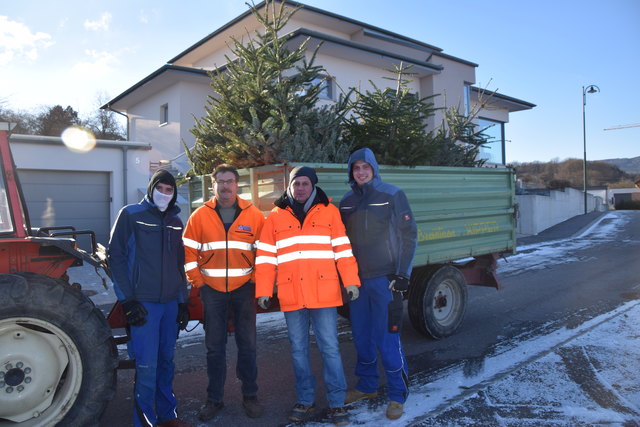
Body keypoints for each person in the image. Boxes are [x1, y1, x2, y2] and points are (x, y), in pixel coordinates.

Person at [255, 166, 360, 426]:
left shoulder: (330, 212)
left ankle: (336, 403)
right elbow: (266, 258)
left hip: (324, 294)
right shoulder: (276, 217)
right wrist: (264, 291)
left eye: (305, 183)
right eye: (296, 184)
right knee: (298, 351)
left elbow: (343, 252)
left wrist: (351, 282)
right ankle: (305, 399)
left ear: (313, 186)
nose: (300, 188)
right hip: (292, 295)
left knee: (330, 349)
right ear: (289, 187)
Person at [339, 147, 418, 420]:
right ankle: (367, 386)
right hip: (357, 284)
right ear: (351, 172)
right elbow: (341, 244)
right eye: (356, 168)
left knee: (387, 341)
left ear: (373, 168)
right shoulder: (347, 201)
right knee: (362, 338)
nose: (361, 172)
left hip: (385, 282)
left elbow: (410, 236)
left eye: (365, 167)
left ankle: (397, 396)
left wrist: (402, 274)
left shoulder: (392, 195)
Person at [108, 169, 191, 427]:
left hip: (168, 304)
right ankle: (145, 420)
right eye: (160, 188)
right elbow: (116, 258)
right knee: (147, 365)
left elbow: (179, 263)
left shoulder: (176, 221)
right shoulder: (131, 215)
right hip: (143, 303)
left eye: (169, 190)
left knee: (167, 361)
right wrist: (128, 301)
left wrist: (182, 301)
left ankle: (168, 415)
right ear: (151, 188)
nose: (164, 194)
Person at [182, 164, 265, 421]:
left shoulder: (253, 215)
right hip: (212, 292)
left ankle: (250, 396)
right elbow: (188, 253)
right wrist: (198, 282)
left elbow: (263, 254)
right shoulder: (199, 215)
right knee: (214, 348)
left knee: (248, 346)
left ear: (237, 184)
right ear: (213, 185)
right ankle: (214, 399)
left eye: (230, 181)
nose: (225, 186)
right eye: (221, 181)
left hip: (243, 290)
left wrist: (254, 281)